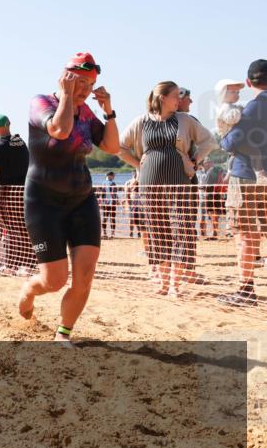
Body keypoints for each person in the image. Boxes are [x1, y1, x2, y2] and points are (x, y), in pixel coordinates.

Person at [17, 53, 121, 344]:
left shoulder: (87, 112)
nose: (85, 90)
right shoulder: (41, 103)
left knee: (85, 276)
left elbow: (112, 147)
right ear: (65, 78)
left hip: (81, 200)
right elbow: (60, 130)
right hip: (43, 201)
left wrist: (108, 111)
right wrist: (65, 96)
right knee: (54, 281)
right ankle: (28, 290)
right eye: (79, 82)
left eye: (90, 84)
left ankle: (64, 333)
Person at [119, 81, 217, 297]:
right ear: (163, 98)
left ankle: (175, 285)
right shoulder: (141, 121)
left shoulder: (185, 119)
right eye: (175, 96)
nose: (179, 100)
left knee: (181, 228)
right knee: (157, 230)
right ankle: (163, 283)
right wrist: (138, 165)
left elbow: (209, 141)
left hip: (179, 180)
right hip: (149, 183)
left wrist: (195, 159)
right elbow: (120, 147)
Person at [219, 59, 267, 307]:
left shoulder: (252, 108)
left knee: (245, 233)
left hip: (246, 176)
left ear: (249, 82)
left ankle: (246, 289)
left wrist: (225, 136)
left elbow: (231, 143)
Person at [0, 115, 30, 275]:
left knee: (10, 230)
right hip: (24, 191)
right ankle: (27, 264)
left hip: (7, 193)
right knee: (23, 229)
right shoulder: (22, 143)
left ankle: (11, 266)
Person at [98, 171, 119, 238]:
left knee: (105, 218)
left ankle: (104, 233)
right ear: (109, 176)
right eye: (113, 176)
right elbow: (114, 193)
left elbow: (101, 194)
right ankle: (112, 234)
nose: (114, 177)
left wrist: (101, 202)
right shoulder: (113, 183)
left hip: (105, 202)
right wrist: (117, 200)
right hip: (112, 202)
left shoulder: (102, 183)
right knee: (112, 218)